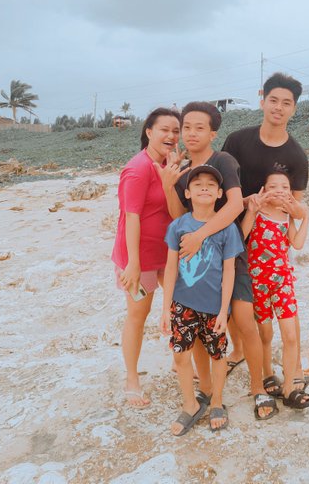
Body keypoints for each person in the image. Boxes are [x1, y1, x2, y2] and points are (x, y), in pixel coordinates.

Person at [157, 101, 279, 421]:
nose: (191, 133)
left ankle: (258, 387)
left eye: (199, 127)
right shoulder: (183, 173)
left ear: (213, 133)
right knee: (199, 328)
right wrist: (169, 187)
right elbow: (180, 217)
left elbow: (235, 204)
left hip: (229, 256)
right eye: (186, 127)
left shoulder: (223, 160)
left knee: (244, 320)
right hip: (197, 267)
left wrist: (201, 235)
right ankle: (208, 389)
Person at [221, 72, 309, 398]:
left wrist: (300, 214)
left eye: (286, 103)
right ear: (262, 100)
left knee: (282, 314)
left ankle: (294, 372)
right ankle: (242, 352)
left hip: (270, 246)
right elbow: (219, 184)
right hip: (234, 230)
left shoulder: (297, 156)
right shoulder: (237, 141)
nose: (278, 107)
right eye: (273, 100)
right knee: (237, 303)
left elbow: (294, 209)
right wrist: (247, 205)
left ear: (294, 109)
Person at [161, 165, 244, 435]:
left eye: (211, 184)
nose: (204, 187)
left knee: (217, 355)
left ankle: (217, 401)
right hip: (182, 304)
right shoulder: (178, 226)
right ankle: (190, 404)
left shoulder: (227, 229)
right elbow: (171, 268)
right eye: (197, 184)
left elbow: (229, 271)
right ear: (187, 193)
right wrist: (165, 308)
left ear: (220, 193)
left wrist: (224, 310)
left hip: (214, 307)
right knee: (180, 355)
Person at [111, 107, 181, 408]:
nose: (171, 136)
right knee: (138, 315)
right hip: (137, 256)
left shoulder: (170, 165)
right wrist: (134, 264)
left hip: (167, 252)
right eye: (164, 129)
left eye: (175, 131)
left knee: (180, 306)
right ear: (149, 132)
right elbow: (131, 217)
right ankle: (132, 379)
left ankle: (180, 363)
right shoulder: (137, 168)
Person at [241, 171, 309, 409]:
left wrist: (305, 217)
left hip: (282, 281)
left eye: (284, 187)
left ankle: (289, 386)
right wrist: (251, 210)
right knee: (265, 334)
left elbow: (297, 243)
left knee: (290, 335)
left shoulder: (286, 216)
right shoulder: (257, 212)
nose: (279, 190)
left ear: (290, 193)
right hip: (258, 282)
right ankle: (267, 373)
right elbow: (242, 236)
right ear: (263, 190)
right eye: (273, 186)